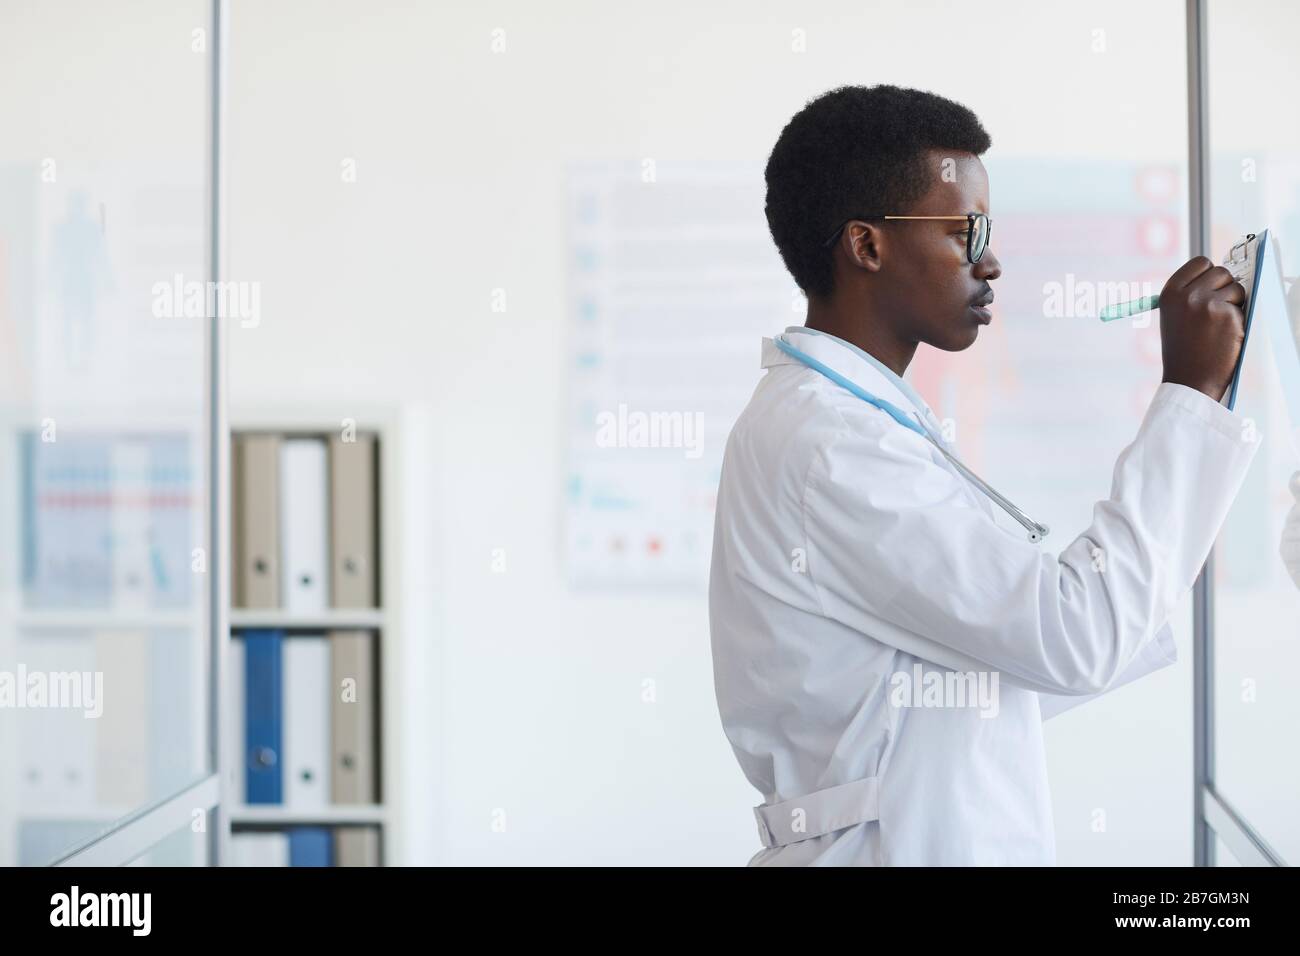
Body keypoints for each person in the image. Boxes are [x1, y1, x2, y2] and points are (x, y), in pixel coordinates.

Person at [708, 84, 1258, 866]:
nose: (990, 259)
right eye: (965, 231)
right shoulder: (832, 444)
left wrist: (1135, 592)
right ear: (867, 246)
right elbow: (1073, 637)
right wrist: (1189, 394)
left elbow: (1001, 661)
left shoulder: (857, 420)